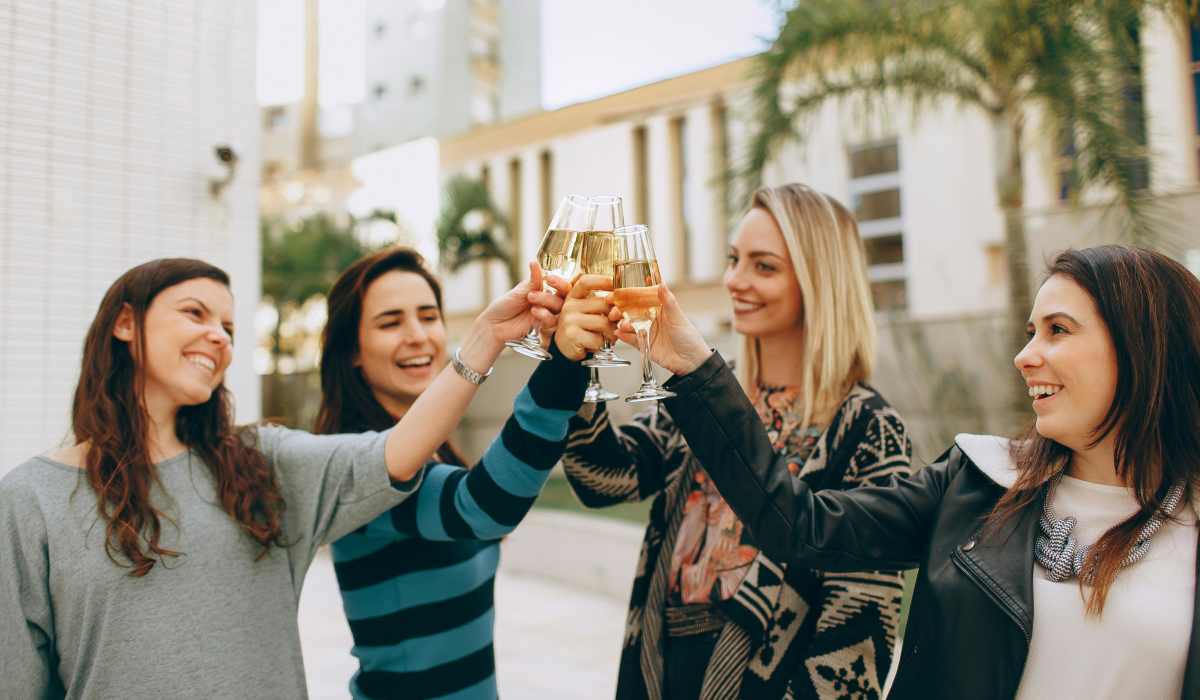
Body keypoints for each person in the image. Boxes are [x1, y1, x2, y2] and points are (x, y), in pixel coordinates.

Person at [616, 244, 1200, 699]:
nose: (1025, 356)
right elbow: (800, 523)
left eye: (1059, 330)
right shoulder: (978, 482)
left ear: (1143, 346)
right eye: (1030, 333)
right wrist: (695, 365)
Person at [0, 256, 561, 698]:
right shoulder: (30, 500)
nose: (219, 336)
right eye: (195, 314)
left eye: (227, 326)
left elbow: (397, 451)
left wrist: (487, 338)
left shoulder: (261, 463)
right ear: (126, 322)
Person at [554, 183, 913, 699]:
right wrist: (574, 361)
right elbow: (601, 480)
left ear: (819, 281)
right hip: (661, 672)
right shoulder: (706, 396)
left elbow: (856, 637)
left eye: (763, 266)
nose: (735, 281)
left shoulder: (868, 429)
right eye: (733, 259)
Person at [314, 247, 587, 700]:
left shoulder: (437, 452)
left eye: (428, 316)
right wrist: (560, 366)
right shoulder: (358, 467)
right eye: (390, 322)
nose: (418, 336)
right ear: (352, 352)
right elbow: (484, 507)